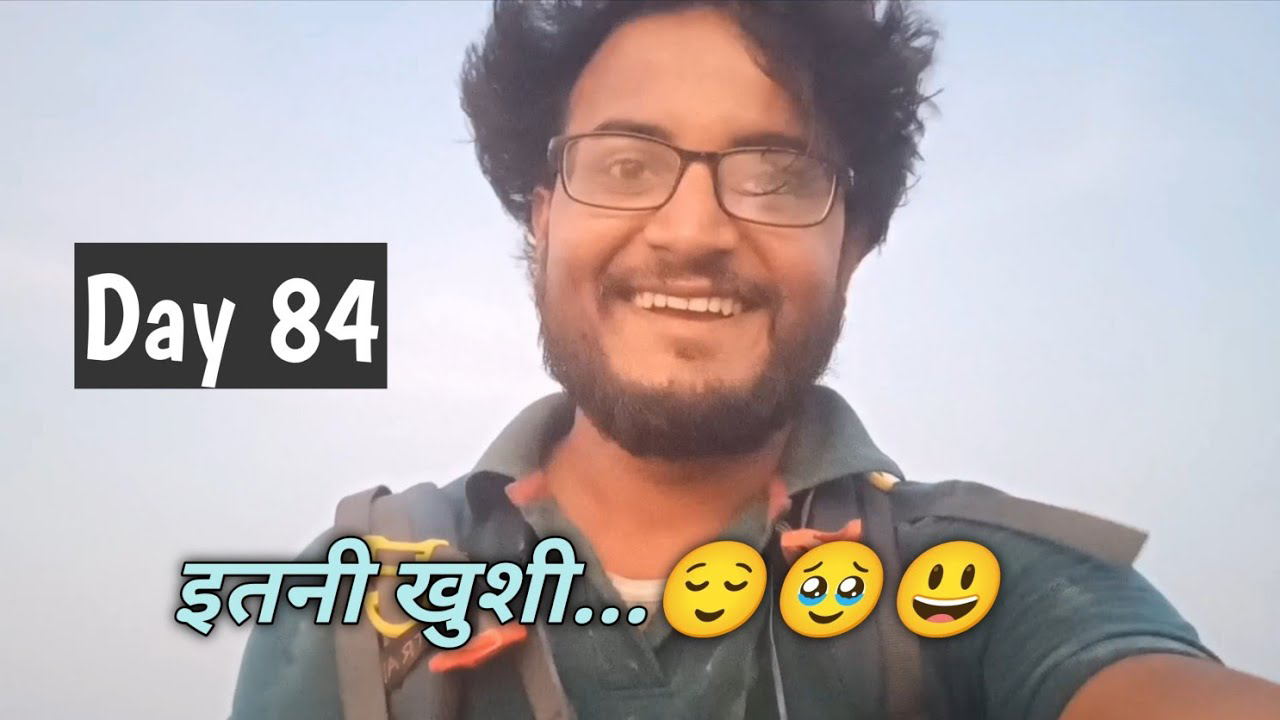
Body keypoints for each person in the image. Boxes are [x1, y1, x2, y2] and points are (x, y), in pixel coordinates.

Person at [230, 1, 1280, 718]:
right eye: (626, 163)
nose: (691, 230)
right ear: (540, 222)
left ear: (851, 246)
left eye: (775, 175)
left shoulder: (989, 583)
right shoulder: (362, 595)